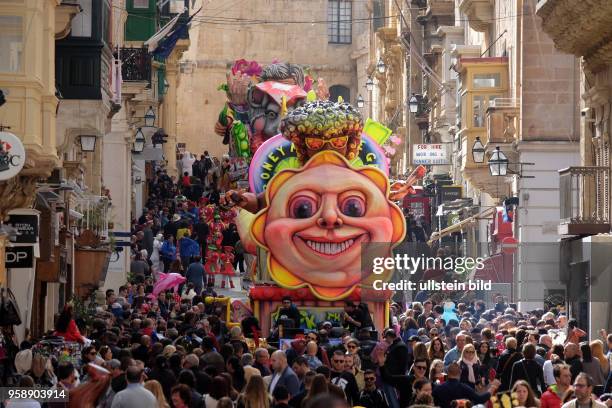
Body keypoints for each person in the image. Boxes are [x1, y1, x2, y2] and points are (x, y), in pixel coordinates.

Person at [432, 362, 500, 408]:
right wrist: (493, 387)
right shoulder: (464, 388)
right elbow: (480, 399)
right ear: (460, 372)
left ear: (447, 373)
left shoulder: (438, 388)